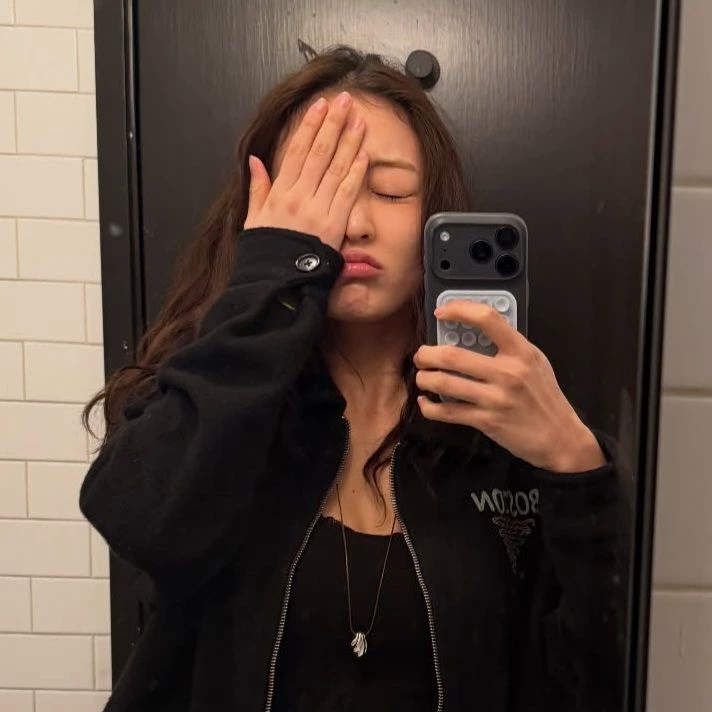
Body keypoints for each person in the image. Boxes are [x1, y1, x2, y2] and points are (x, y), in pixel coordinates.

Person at [80, 45, 629, 712]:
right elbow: (141, 523)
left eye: (391, 192)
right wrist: (273, 277)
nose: (356, 224)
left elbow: (602, 672)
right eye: (323, 189)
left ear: (436, 217)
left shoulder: (501, 422)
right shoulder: (216, 391)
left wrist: (575, 464)